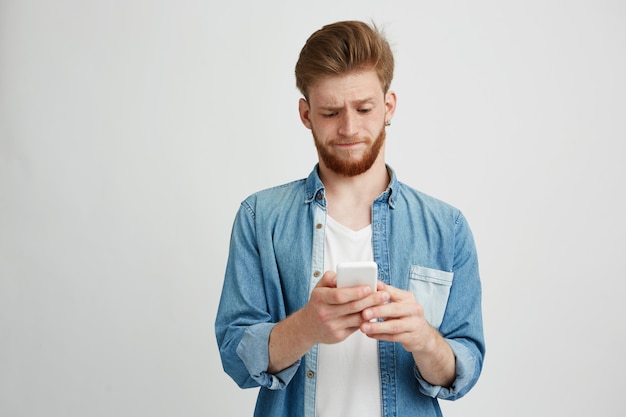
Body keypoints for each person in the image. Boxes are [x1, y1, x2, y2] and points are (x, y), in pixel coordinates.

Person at [215, 20, 485, 417]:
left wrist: (424, 339)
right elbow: (235, 356)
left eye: (364, 108)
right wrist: (307, 326)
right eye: (329, 112)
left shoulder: (448, 228)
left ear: (389, 106)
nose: (349, 128)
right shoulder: (260, 218)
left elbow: (466, 367)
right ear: (306, 114)